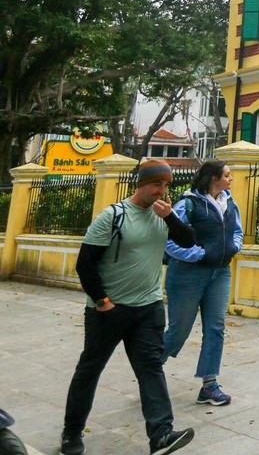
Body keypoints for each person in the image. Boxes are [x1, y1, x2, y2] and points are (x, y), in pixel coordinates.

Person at [61, 158, 197, 455]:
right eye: (156, 184)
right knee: (90, 370)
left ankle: (161, 435)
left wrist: (171, 216)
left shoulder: (163, 215)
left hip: (148, 307)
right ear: (141, 184)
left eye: (166, 184)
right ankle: (71, 433)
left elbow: (188, 241)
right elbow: (85, 264)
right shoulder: (113, 216)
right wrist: (102, 302)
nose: (161, 190)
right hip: (109, 311)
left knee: (150, 368)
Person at [163, 160, 243, 407]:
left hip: (220, 273)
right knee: (179, 330)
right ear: (213, 178)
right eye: (227, 175)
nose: (231, 179)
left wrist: (234, 247)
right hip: (188, 275)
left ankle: (209, 385)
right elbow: (168, 240)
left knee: (216, 328)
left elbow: (237, 231)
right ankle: (150, 369)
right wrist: (198, 254)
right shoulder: (187, 204)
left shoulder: (230, 203)